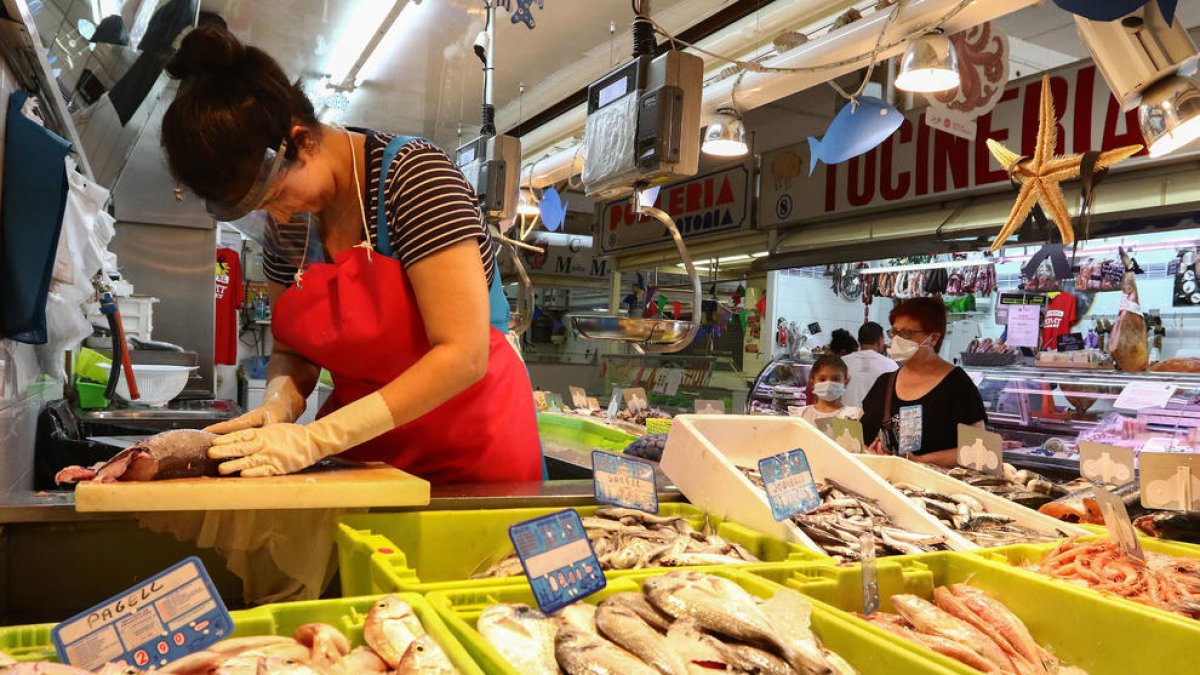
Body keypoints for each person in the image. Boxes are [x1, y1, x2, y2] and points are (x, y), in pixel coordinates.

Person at [160, 25, 541, 483]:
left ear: (303, 141)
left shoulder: (415, 179)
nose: (277, 219)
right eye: (259, 211)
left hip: (472, 458)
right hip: (365, 458)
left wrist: (316, 439)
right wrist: (279, 405)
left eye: (275, 195)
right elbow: (292, 351)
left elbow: (462, 355)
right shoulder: (290, 228)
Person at [861, 298, 986, 467]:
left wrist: (919, 461)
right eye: (895, 332)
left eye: (906, 333)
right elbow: (860, 434)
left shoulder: (957, 385)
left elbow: (979, 451)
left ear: (933, 338)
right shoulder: (885, 382)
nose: (897, 339)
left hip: (933, 488)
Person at [841, 321, 898, 408]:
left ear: (859, 341)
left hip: (844, 418)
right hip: (875, 419)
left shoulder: (842, 362)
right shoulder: (891, 365)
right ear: (880, 341)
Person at [792, 354, 861, 423]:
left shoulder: (854, 416)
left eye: (836, 379)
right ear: (813, 383)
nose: (828, 384)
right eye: (822, 379)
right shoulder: (800, 416)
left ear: (846, 382)